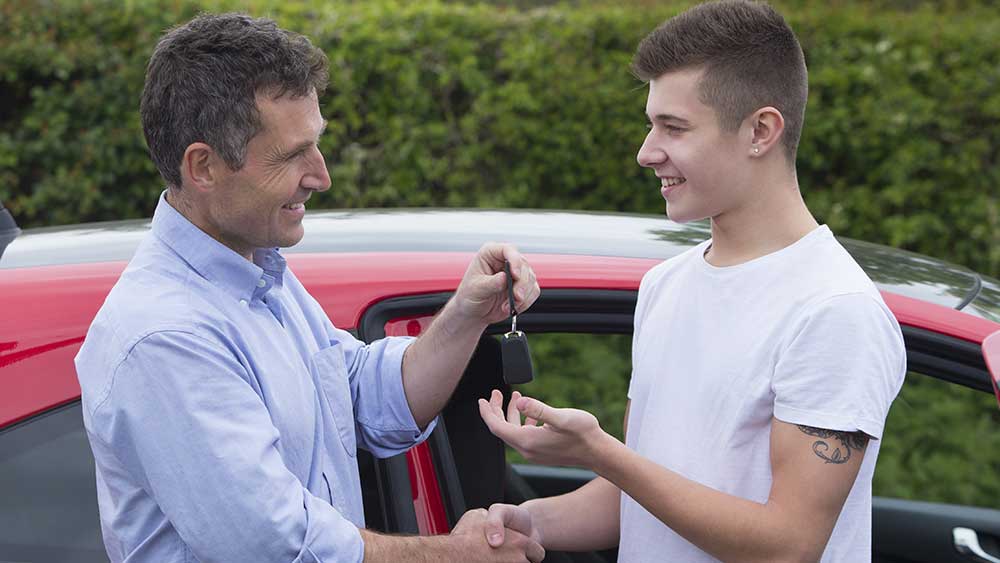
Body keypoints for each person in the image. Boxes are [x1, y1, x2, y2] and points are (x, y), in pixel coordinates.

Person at [74, 13, 544, 563]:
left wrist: (467, 315)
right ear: (203, 166)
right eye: (291, 155)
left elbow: (363, 399)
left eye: (315, 146)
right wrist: (454, 555)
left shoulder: (258, 270)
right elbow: (274, 544)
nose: (321, 175)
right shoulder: (162, 337)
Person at [478, 1, 906, 561]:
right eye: (650, 123)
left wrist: (601, 452)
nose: (645, 152)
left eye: (673, 127)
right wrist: (532, 523)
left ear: (761, 130)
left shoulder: (834, 311)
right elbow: (640, 494)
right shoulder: (665, 285)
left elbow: (789, 546)